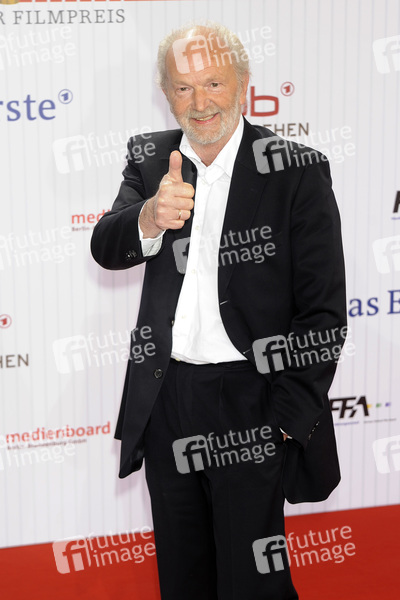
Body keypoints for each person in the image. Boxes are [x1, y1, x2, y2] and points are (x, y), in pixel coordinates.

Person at [91, 22, 347, 600]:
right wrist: (150, 216)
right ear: (165, 92)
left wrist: (284, 419)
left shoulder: (295, 169)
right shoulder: (151, 158)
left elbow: (324, 312)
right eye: (183, 87)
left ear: (244, 82)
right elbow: (106, 247)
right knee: (183, 577)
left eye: (213, 83)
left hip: (251, 402)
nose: (200, 102)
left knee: (252, 582)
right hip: (167, 400)